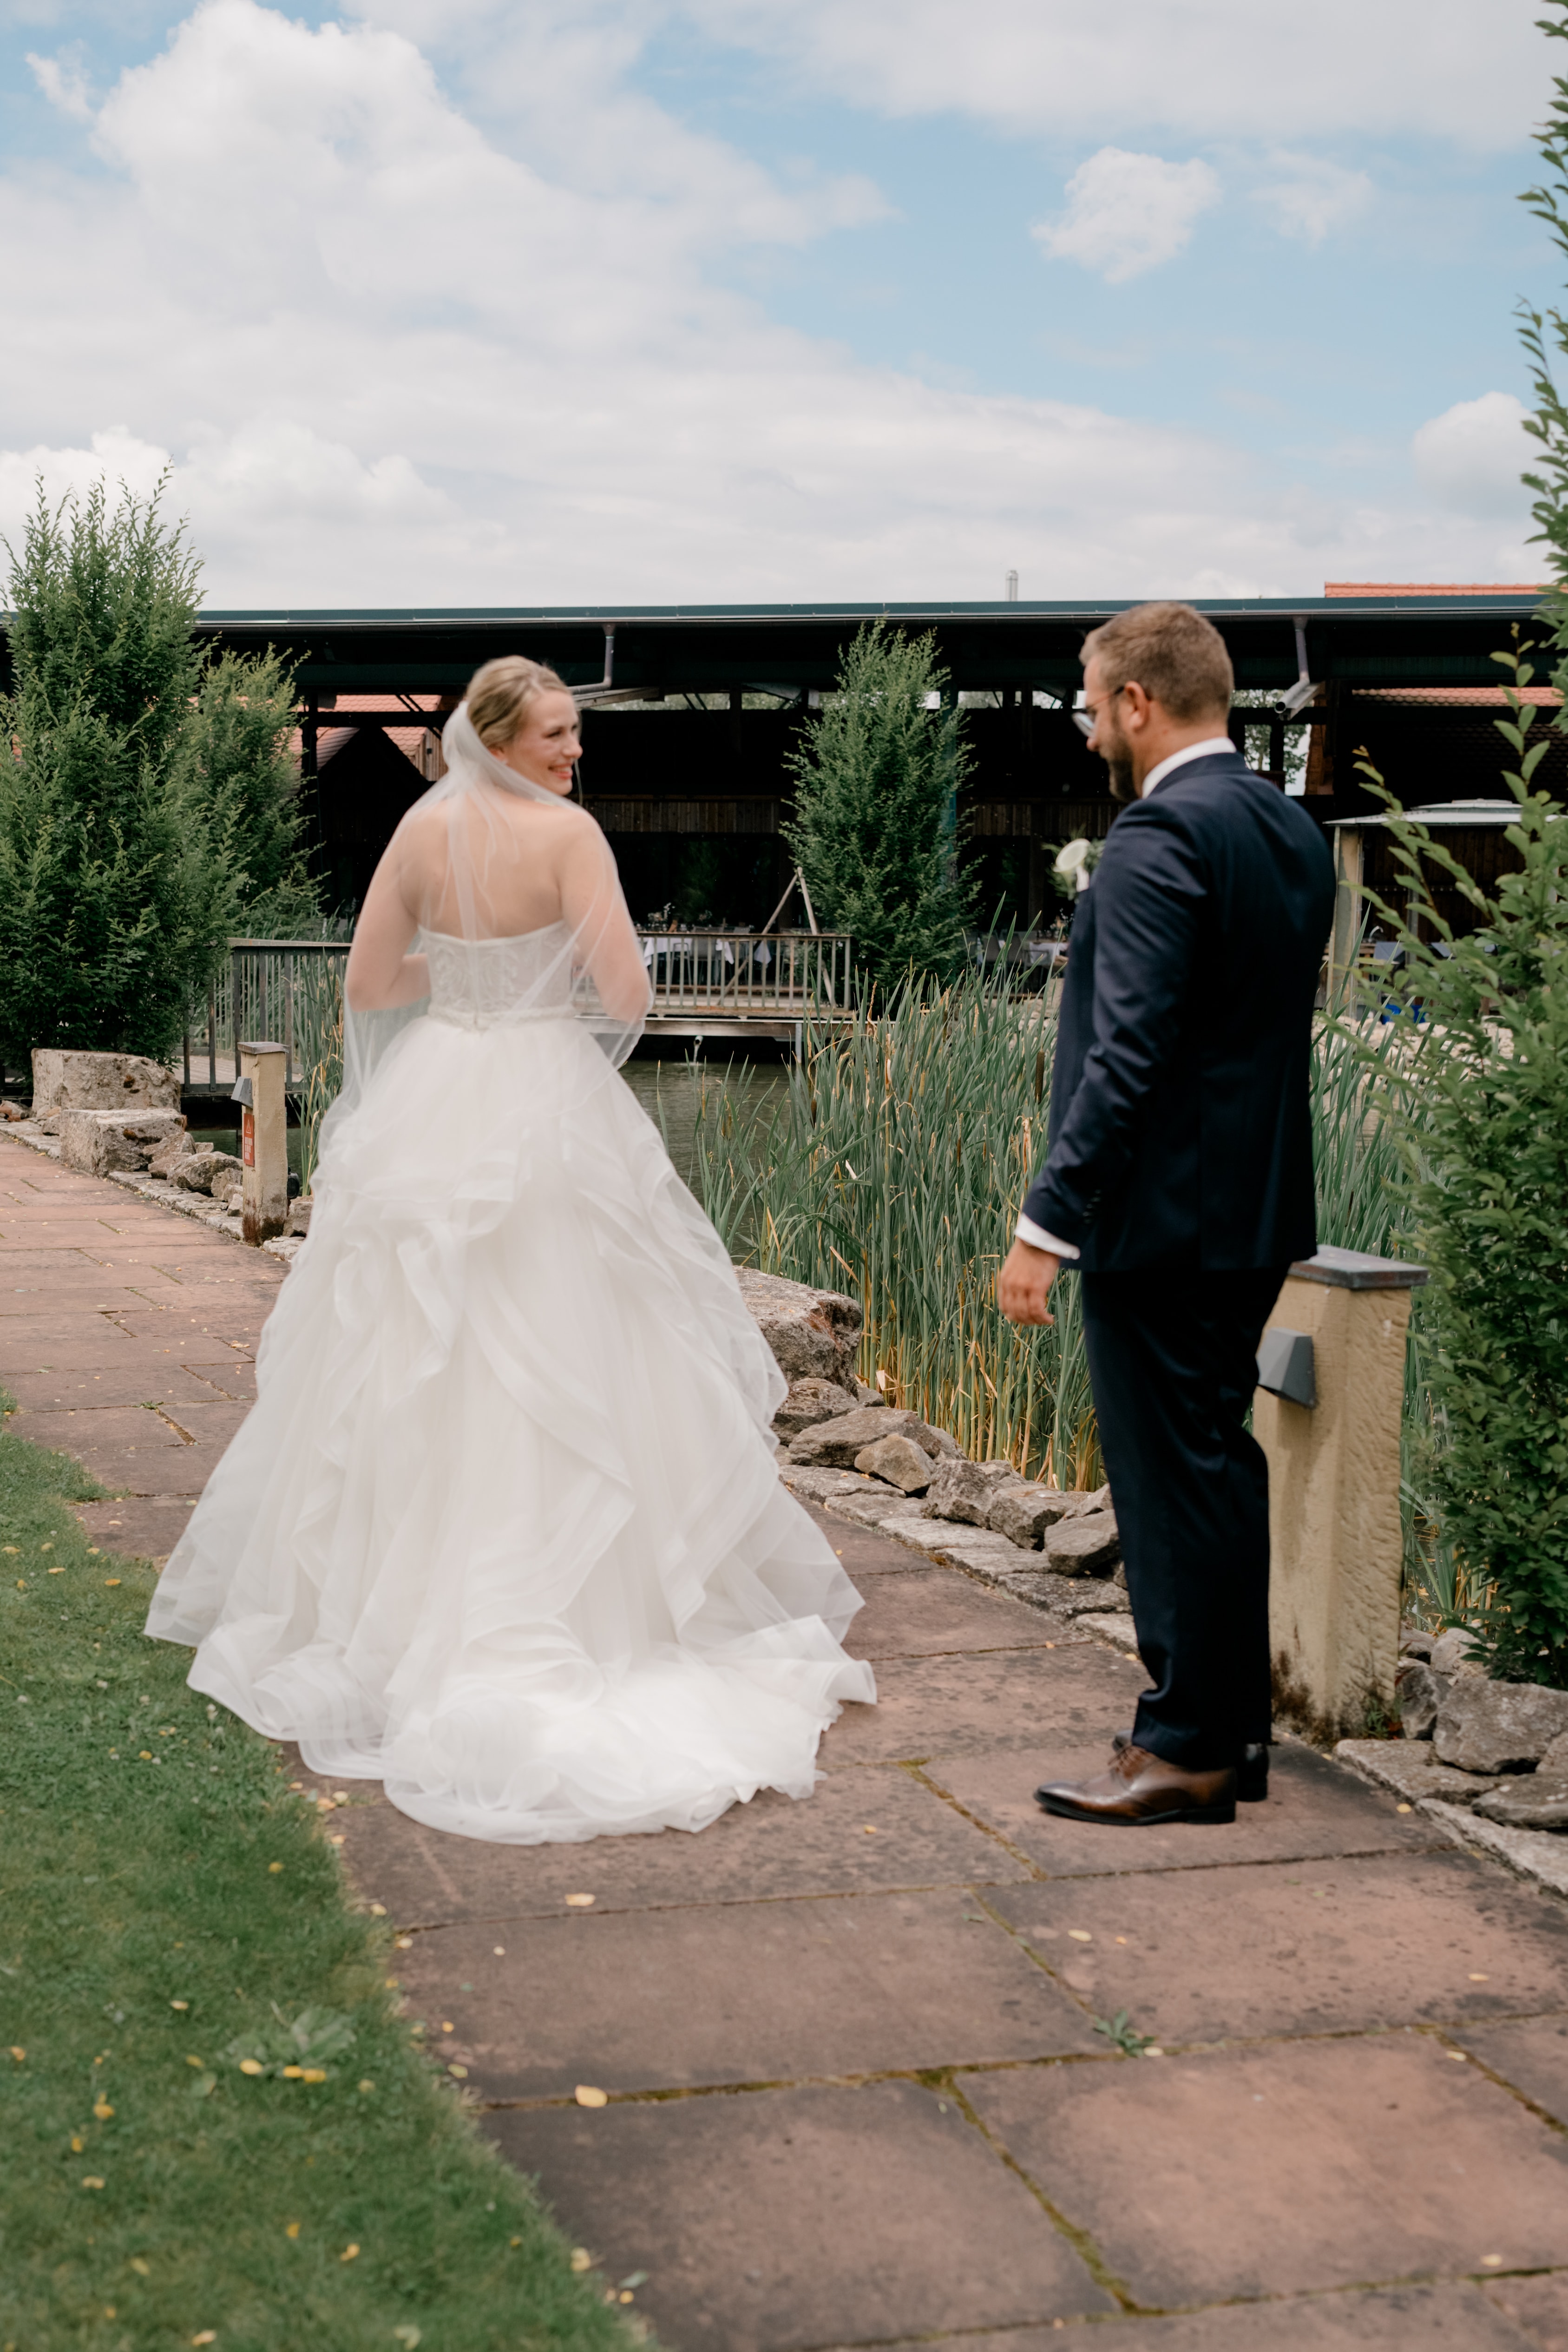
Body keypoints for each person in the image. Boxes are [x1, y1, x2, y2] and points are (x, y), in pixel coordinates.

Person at [147, 657, 874, 1843]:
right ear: (499, 736)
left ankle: (396, 1614)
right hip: (541, 1094)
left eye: (575, 733)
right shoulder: (570, 837)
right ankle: (581, 1610)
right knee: (567, 1333)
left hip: (436, 1090)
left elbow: (374, 982)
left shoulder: (420, 835)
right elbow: (625, 990)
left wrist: (471, 972)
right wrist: (533, 972)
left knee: (427, 1343)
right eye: (555, 733)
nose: (573, 752)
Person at [997, 603, 1334, 1827]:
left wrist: (1048, 1221)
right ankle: (1228, 1731)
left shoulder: (1154, 840)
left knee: (1167, 1473)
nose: (1091, 729)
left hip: (1158, 1222)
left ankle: (1185, 1742)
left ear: (1139, 700)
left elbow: (1125, 1057)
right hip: (1254, 1212)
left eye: (1092, 705)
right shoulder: (1288, 830)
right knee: (1217, 1463)